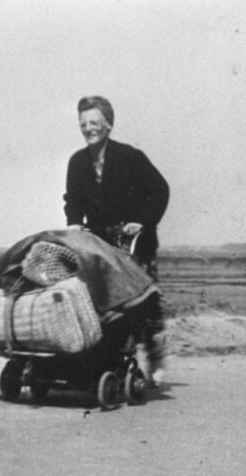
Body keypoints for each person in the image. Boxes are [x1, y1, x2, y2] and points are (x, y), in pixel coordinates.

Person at [63, 95, 170, 384]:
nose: (89, 129)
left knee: (141, 302)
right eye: (83, 124)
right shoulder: (77, 162)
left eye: (94, 122)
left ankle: (156, 356)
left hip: (133, 240)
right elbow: (72, 199)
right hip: (98, 243)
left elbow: (160, 190)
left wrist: (143, 222)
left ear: (108, 125)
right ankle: (105, 360)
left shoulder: (130, 157)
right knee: (102, 304)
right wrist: (74, 223)